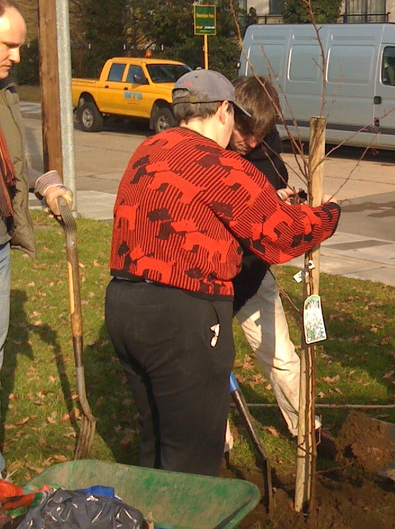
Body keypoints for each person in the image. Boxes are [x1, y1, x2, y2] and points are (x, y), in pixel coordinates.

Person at [105, 69, 340, 477]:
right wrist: (327, 215)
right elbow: (282, 237)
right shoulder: (220, 166)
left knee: (157, 437)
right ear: (225, 112)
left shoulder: (148, 151)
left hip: (124, 307)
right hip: (181, 315)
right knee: (192, 454)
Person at [0, 0, 73, 473]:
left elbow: (14, 161)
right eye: (9, 44)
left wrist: (44, 184)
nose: (17, 57)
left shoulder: (4, 90)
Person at [227, 75, 313, 442]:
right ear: (226, 114)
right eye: (246, 133)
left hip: (250, 273)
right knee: (205, 369)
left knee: (281, 357)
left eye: (261, 135)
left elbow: (265, 204)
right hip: (204, 279)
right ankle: (218, 448)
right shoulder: (205, 149)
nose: (252, 143)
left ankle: (308, 432)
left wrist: (281, 205)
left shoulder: (269, 153)